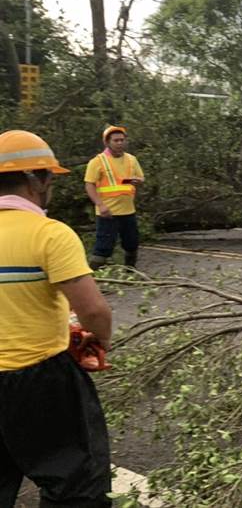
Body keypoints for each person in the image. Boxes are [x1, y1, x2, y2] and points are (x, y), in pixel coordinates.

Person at [0, 129, 113, 507]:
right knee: (75, 486)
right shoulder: (50, 235)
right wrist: (97, 343)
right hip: (39, 380)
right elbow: (94, 309)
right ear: (36, 179)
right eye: (48, 176)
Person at [84, 125, 144, 269]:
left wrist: (138, 181)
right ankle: (93, 276)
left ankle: (130, 272)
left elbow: (141, 178)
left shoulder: (132, 159)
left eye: (122, 140)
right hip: (107, 213)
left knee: (132, 244)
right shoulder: (97, 162)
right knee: (103, 248)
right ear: (107, 142)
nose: (120, 143)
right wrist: (100, 205)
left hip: (128, 211)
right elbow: (89, 185)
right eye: (116, 140)